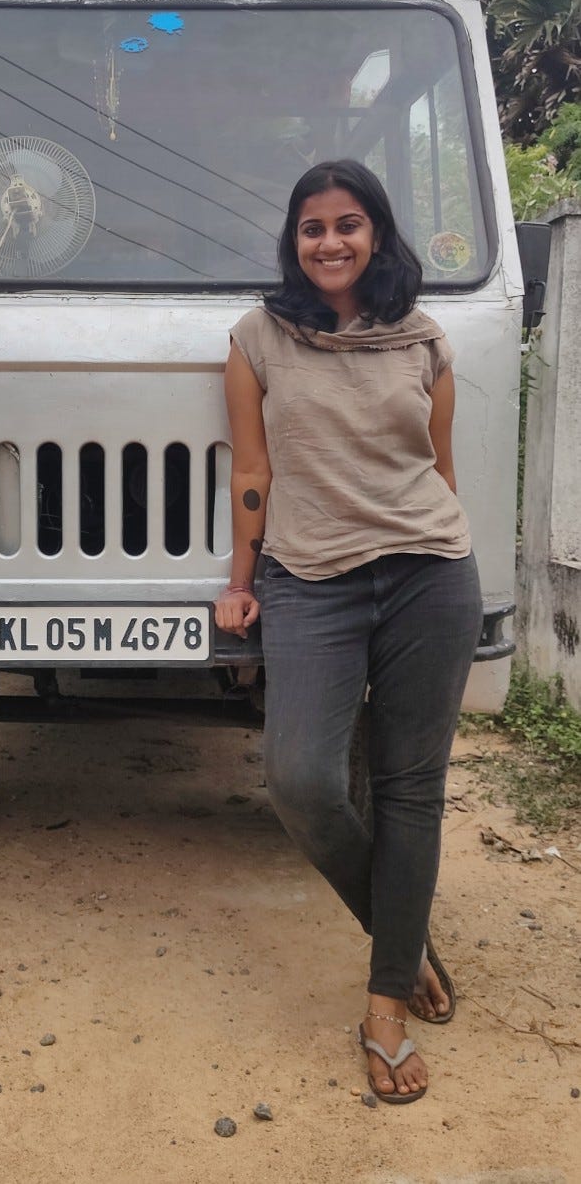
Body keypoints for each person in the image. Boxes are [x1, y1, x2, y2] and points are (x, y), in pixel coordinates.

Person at [215, 159, 481, 1105]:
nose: (330, 242)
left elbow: (437, 468)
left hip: (428, 575)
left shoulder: (424, 341)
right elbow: (253, 466)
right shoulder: (259, 337)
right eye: (312, 227)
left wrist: (443, 563)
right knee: (299, 781)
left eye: (349, 224)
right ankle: (403, 942)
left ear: (378, 235)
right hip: (310, 580)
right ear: (294, 240)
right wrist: (240, 581)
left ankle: (384, 1007)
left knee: (411, 791)